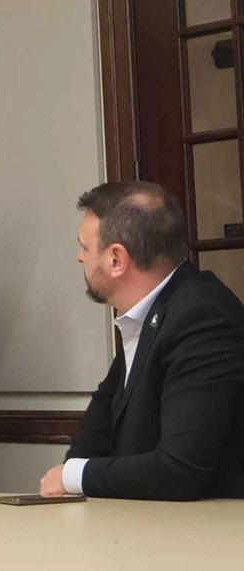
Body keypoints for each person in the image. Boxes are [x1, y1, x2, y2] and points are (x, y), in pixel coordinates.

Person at [40, 181, 244, 500]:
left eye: (85, 247)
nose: (79, 257)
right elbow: (99, 425)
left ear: (116, 259)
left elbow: (180, 470)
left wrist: (70, 476)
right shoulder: (151, 314)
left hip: (211, 528)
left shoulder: (201, 316)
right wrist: (72, 472)